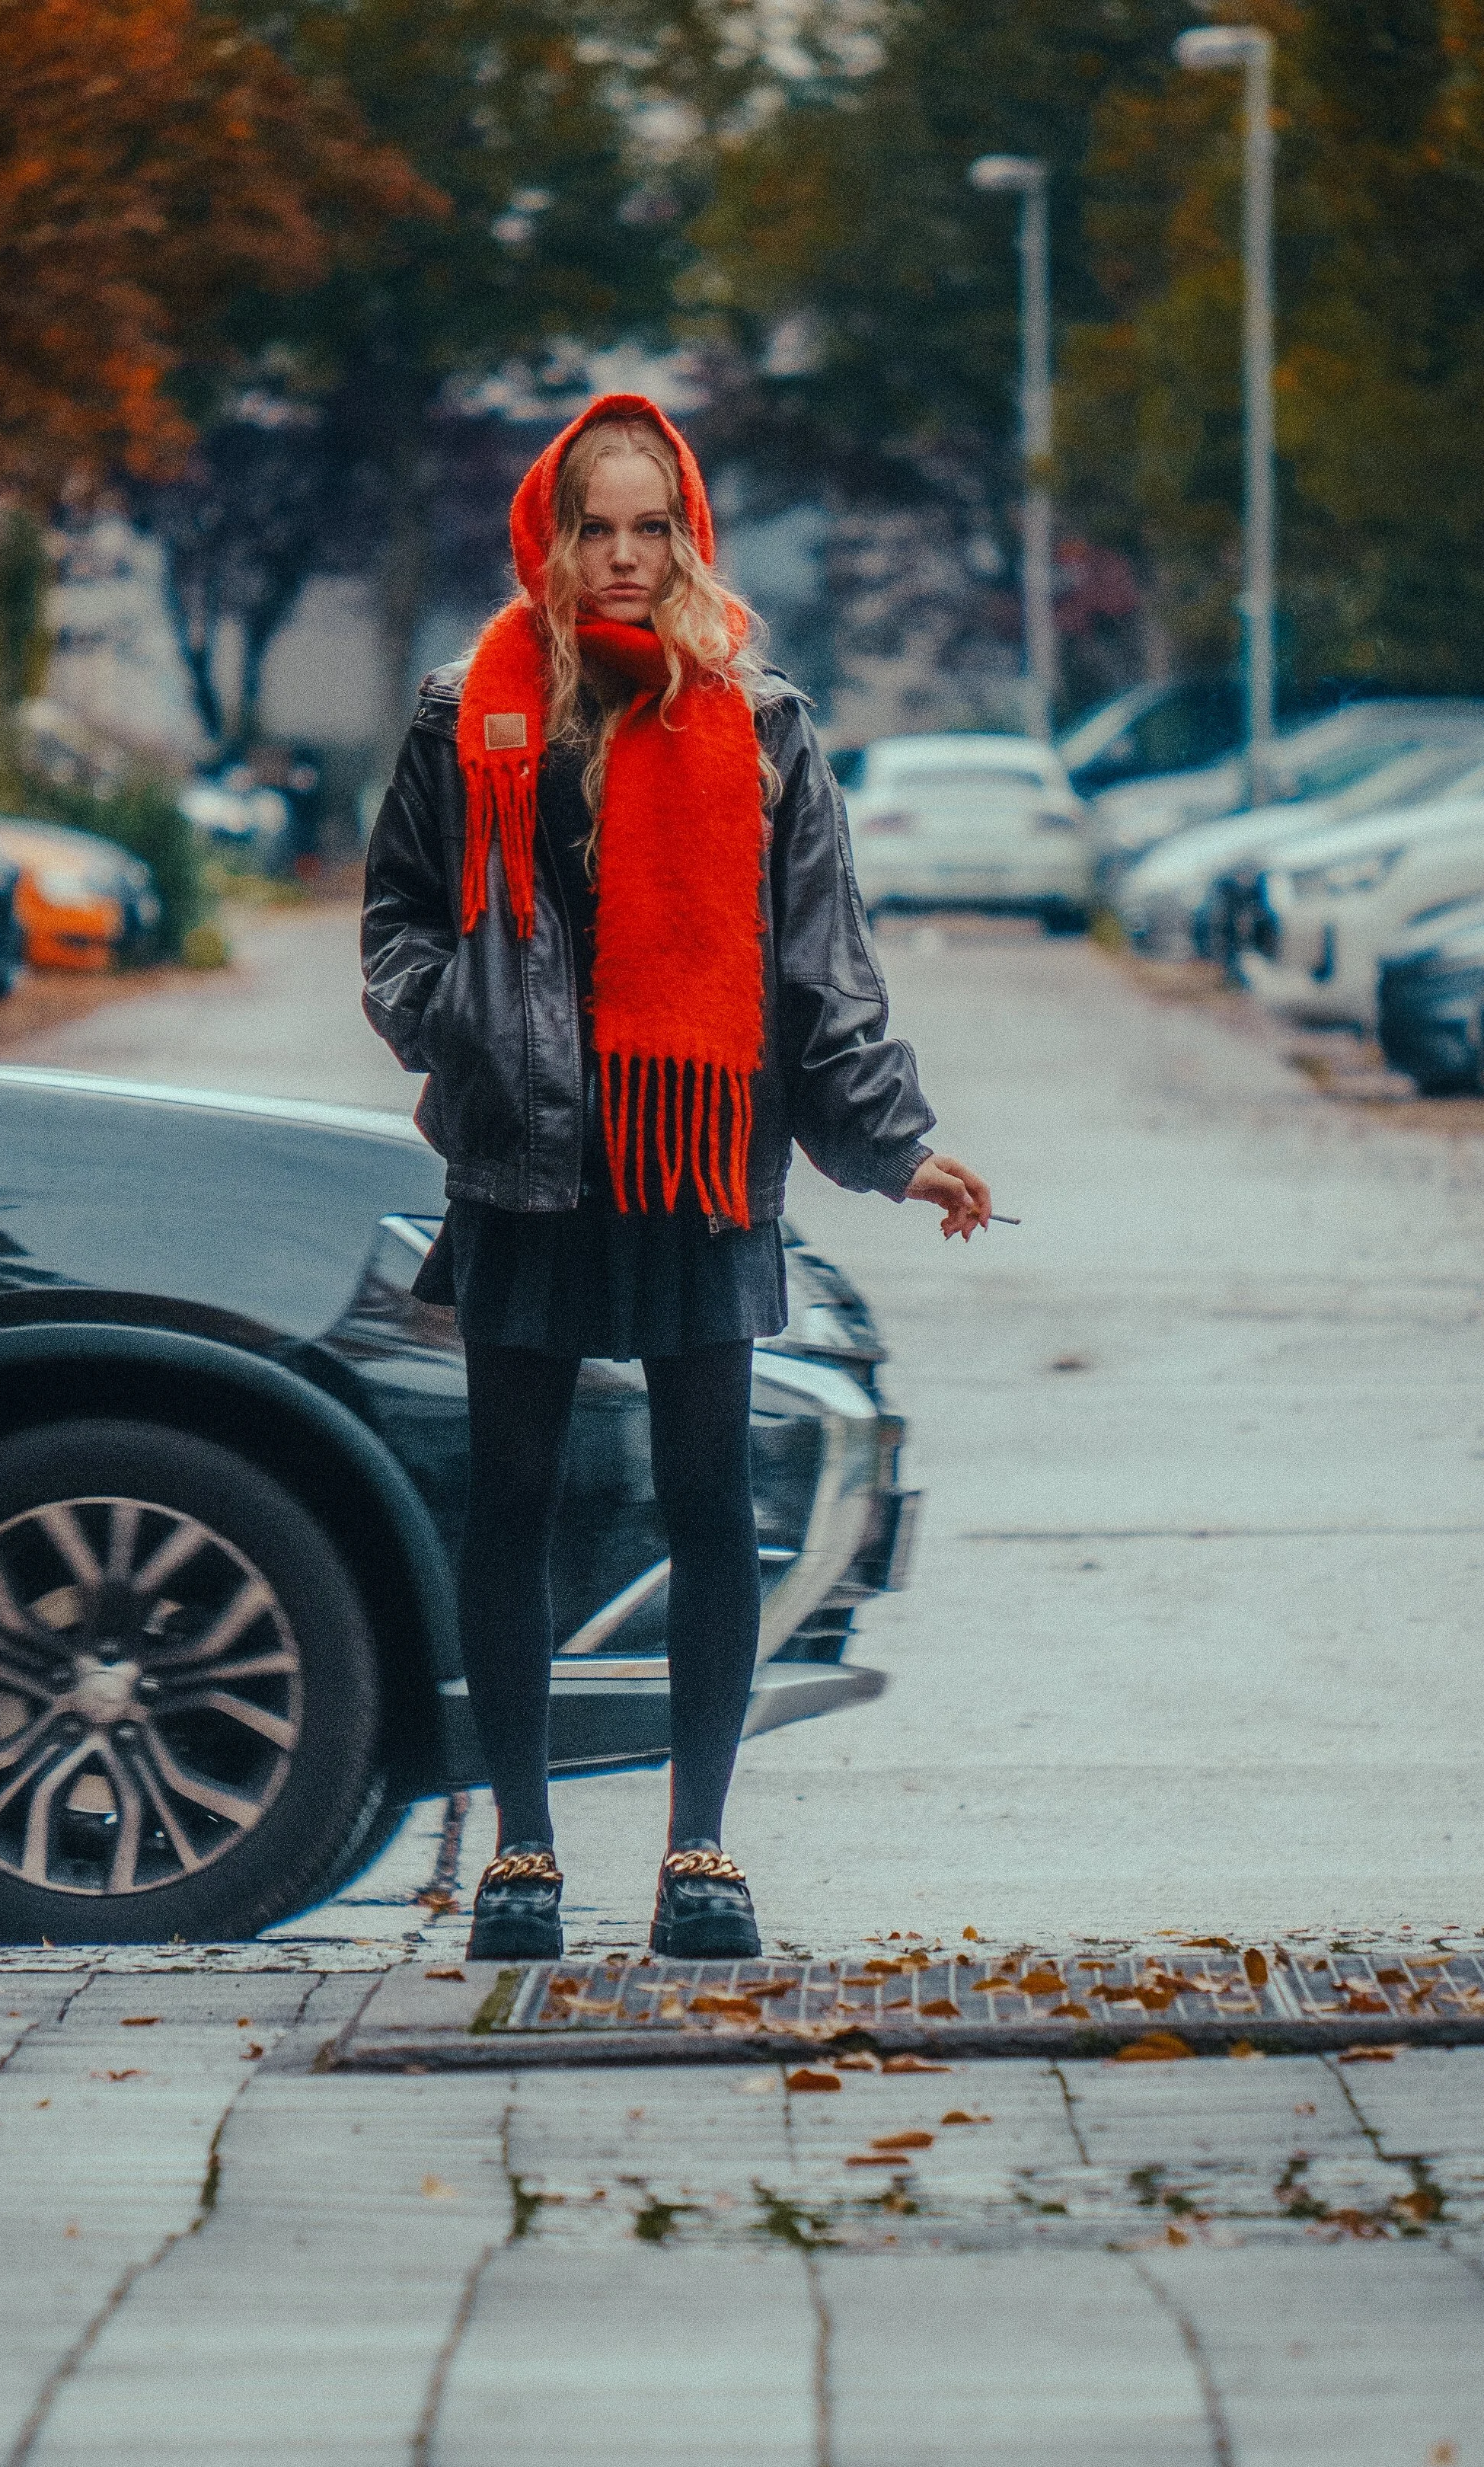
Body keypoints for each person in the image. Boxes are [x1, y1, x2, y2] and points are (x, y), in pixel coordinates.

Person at [362, 395, 991, 1963]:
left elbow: (819, 970)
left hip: (698, 1166)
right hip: (524, 1165)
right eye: (599, 526)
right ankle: (519, 1853)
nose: (627, 557)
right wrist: (473, 1017)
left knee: (708, 1505)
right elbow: (394, 933)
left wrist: (898, 1142)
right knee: (512, 1502)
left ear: (686, 532)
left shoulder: (760, 724)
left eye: (653, 526)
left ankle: (699, 1849)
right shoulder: (470, 709)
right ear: (552, 535)